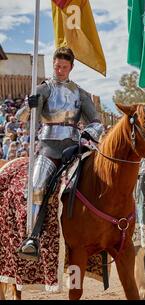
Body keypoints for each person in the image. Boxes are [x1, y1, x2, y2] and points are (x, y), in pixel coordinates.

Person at [16, 47, 105, 260]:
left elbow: (97, 122)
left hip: (74, 147)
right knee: (37, 186)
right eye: (57, 66)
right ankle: (32, 238)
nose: (60, 70)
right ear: (53, 65)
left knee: (95, 183)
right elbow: (21, 118)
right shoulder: (44, 88)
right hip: (48, 147)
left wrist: (87, 135)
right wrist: (29, 107)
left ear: (71, 68)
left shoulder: (80, 93)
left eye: (65, 67)